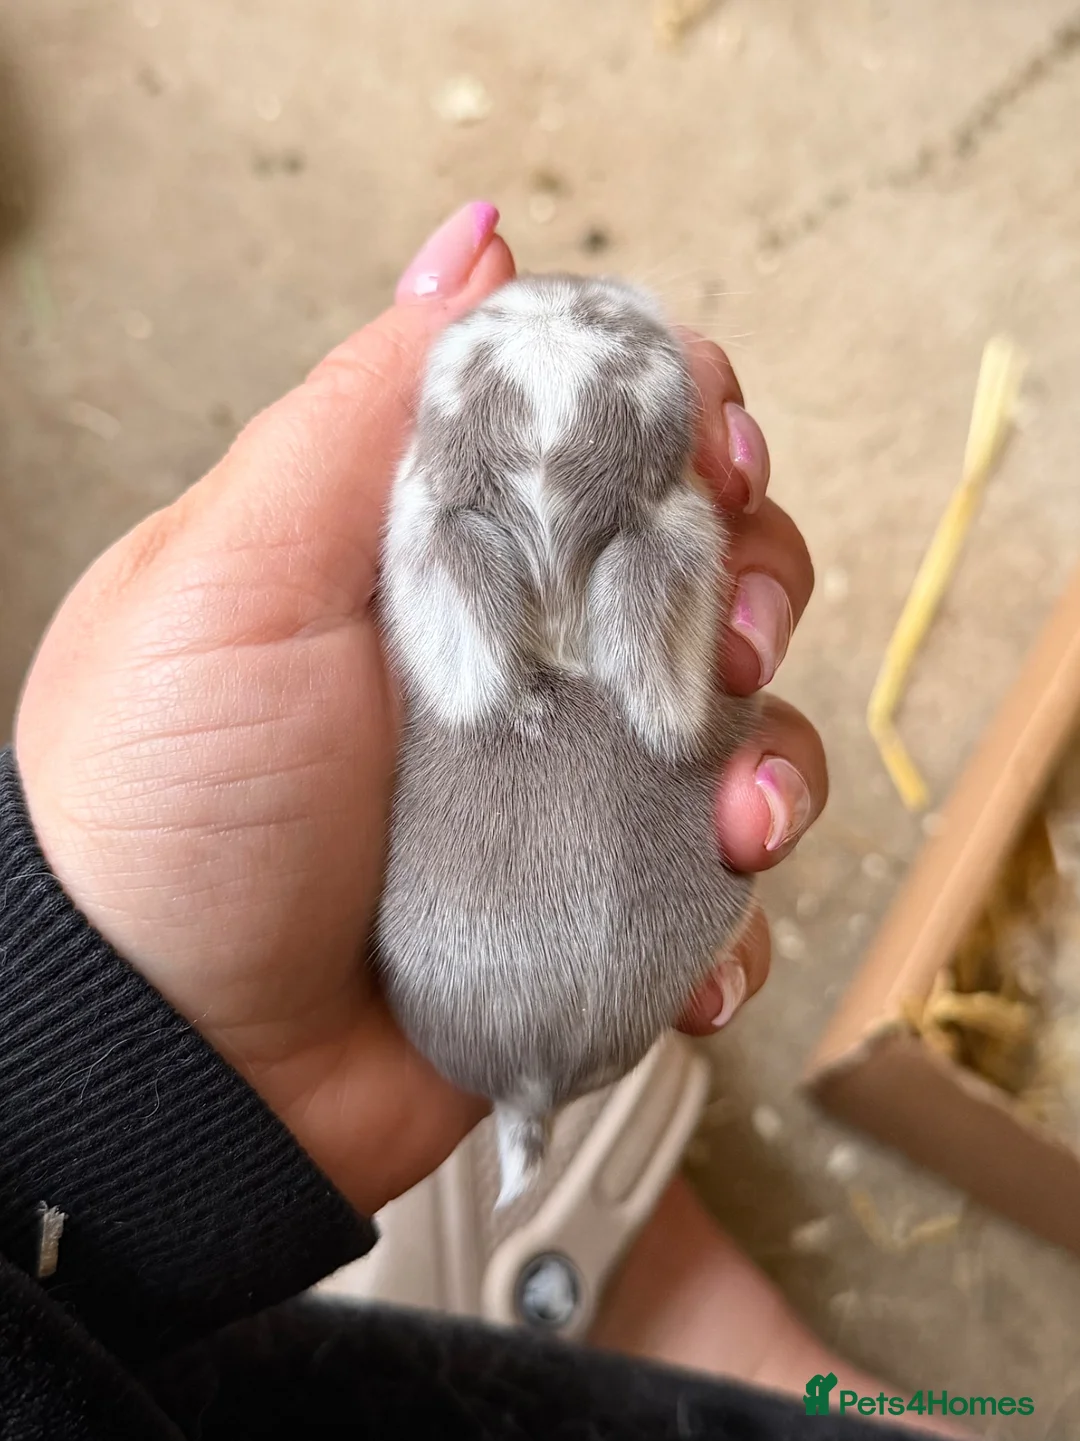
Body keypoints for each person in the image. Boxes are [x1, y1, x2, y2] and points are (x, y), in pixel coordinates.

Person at [0, 203, 947, 1439]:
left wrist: (90, 1055)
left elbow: (500, 662)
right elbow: (665, 698)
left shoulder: (447, 542)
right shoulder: (645, 545)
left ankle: (647, 1320)